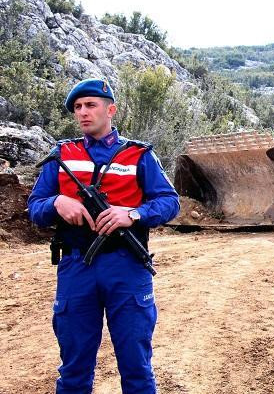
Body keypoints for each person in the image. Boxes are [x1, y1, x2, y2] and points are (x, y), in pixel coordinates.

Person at [28, 78, 180, 393]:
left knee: (136, 367)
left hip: (126, 266)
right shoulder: (62, 156)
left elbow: (170, 202)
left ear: (110, 110)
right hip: (75, 266)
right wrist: (57, 202)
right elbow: (35, 208)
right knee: (73, 369)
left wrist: (133, 214)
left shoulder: (138, 155)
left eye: (91, 105)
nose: (83, 112)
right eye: (78, 107)